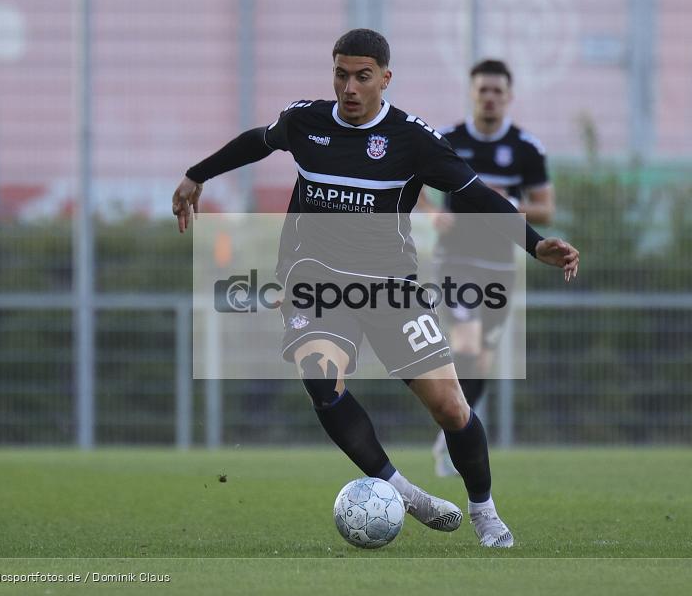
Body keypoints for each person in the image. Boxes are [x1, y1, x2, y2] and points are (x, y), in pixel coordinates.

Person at [172, 29, 579, 548]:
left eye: (363, 76)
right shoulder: (306, 121)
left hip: (389, 287)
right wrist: (195, 175)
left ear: (385, 79)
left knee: (453, 409)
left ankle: (485, 513)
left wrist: (533, 243)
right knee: (322, 378)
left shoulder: (414, 140)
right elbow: (258, 140)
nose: (350, 87)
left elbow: (475, 194)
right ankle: (404, 493)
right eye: (341, 74)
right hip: (313, 280)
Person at [418, 59, 556, 477]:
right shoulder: (447, 140)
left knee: (481, 360)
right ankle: (454, 432)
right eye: (483, 90)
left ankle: (451, 434)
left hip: (500, 265)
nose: (490, 98)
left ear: (509, 96)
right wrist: (430, 213)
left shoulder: (526, 148)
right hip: (455, 261)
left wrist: (507, 205)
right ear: (471, 94)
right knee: (465, 342)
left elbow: (546, 210)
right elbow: (409, 185)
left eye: (498, 91)